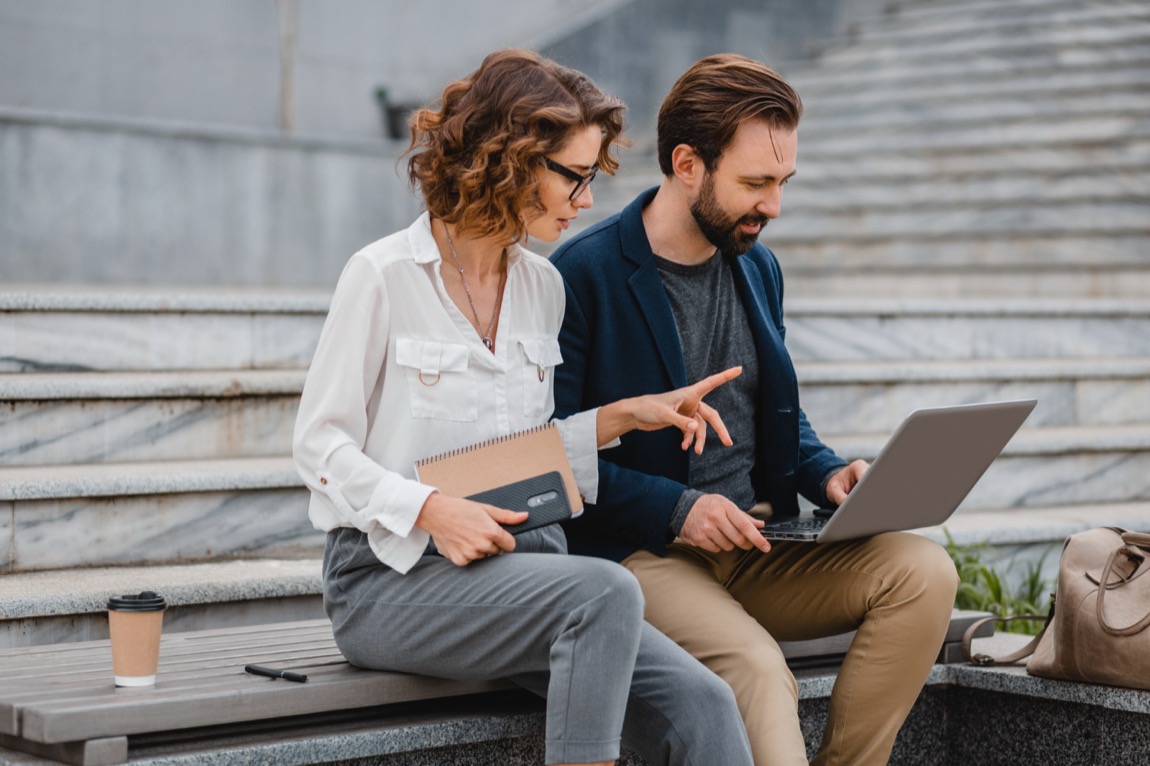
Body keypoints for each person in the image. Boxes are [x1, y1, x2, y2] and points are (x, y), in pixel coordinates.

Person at [293, 49, 754, 766]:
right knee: (605, 592)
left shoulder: (542, 287)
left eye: (593, 178)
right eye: (574, 176)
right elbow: (319, 448)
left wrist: (621, 419)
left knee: (705, 705)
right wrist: (429, 509)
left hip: (520, 572)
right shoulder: (382, 276)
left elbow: (518, 461)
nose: (587, 201)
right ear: (509, 162)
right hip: (389, 582)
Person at [551, 54, 960, 766]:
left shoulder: (757, 264)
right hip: (644, 553)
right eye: (756, 183)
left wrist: (830, 475)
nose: (774, 206)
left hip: (759, 545)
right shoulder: (582, 275)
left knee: (924, 573)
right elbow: (552, 456)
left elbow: (773, 415)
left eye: (782, 183)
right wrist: (681, 509)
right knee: (757, 667)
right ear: (687, 164)